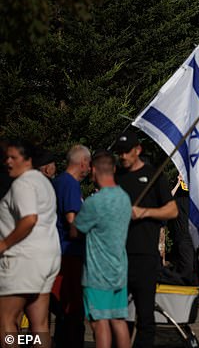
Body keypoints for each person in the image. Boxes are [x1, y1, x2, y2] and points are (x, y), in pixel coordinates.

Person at [114, 130, 178, 347]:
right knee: (119, 315)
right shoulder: (117, 176)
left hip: (144, 255)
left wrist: (144, 212)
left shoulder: (153, 175)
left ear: (137, 150)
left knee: (145, 314)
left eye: (126, 152)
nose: (123, 156)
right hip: (118, 255)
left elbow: (172, 211)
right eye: (119, 152)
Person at [0, 140, 61, 347]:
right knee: (40, 324)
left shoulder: (22, 184)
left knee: (6, 320)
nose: (8, 162)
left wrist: (3, 244)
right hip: (48, 257)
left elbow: (29, 219)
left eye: (13, 157)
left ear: (27, 160)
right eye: (7, 157)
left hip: (24, 258)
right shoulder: (44, 182)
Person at [73, 150, 132, 348]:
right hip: (119, 270)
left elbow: (76, 230)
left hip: (98, 273)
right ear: (114, 169)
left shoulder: (94, 202)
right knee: (118, 321)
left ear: (93, 170)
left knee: (99, 324)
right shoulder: (124, 198)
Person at [51, 144, 91, 348]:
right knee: (72, 309)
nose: (89, 168)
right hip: (70, 253)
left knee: (63, 310)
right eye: (89, 163)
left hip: (62, 252)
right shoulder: (70, 184)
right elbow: (72, 220)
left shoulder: (59, 182)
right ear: (82, 162)